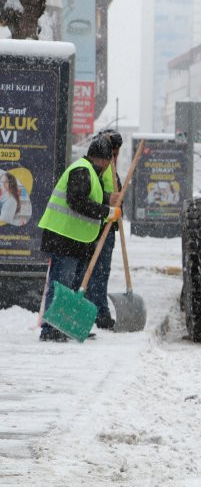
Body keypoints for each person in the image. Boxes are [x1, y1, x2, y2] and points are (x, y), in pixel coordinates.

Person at [37, 135, 122, 341]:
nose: (108, 165)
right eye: (108, 161)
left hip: (76, 241)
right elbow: (76, 201)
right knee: (62, 284)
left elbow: (88, 197)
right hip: (64, 237)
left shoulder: (91, 173)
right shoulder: (82, 170)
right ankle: (50, 329)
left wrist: (106, 201)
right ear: (101, 159)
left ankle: (66, 325)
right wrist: (105, 211)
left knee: (74, 286)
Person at [86, 129, 124, 330]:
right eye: (114, 153)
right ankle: (98, 314)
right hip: (99, 225)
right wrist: (110, 203)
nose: (116, 157)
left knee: (100, 272)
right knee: (96, 272)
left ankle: (98, 312)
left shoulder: (110, 167)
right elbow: (98, 192)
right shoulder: (98, 166)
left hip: (107, 224)